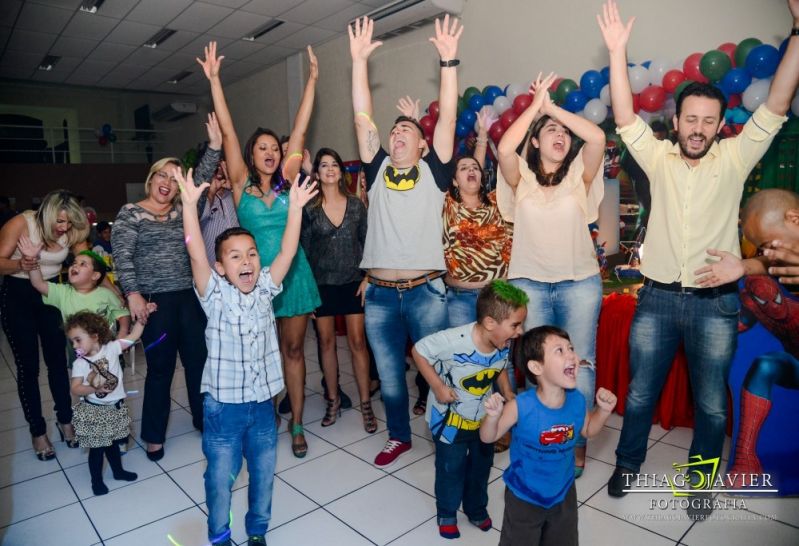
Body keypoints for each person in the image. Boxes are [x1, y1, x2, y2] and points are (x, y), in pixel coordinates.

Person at [597, 0, 799, 518]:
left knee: (711, 405)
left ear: (716, 125)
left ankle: (700, 483)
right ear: (678, 120)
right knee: (640, 395)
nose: (699, 128)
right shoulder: (658, 157)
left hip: (715, 306)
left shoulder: (734, 157)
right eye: (691, 119)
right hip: (658, 301)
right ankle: (627, 464)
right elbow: (622, 115)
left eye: (709, 121)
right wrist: (617, 52)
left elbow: (776, 102)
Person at [177, 165, 317, 546]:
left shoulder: (267, 290)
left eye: (252, 254)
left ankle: (257, 531)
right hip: (223, 408)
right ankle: (219, 534)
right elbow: (194, 253)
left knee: (263, 472)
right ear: (220, 267)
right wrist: (189, 206)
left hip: (262, 406)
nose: (247, 262)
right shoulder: (215, 294)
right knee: (220, 478)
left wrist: (297, 209)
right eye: (235, 257)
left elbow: (288, 250)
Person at [198, 42, 321, 458]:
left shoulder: (288, 180)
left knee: (291, 351)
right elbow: (229, 129)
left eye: (275, 148)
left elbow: (301, 131)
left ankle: (298, 423)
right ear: (251, 155)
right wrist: (215, 79)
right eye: (263, 148)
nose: (270, 153)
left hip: (293, 274)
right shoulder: (238, 184)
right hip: (250, 280)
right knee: (258, 351)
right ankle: (263, 416)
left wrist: (313, 83)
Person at [349, 15, 461, 468]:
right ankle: (399, 436)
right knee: (392, 376)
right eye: (393, 130)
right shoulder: (375, 172)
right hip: (377, 295)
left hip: (426, 293)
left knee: (437, 371)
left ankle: (444, 434)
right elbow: (362, 117)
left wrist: (448, 61)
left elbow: (449, 115)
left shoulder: (436, 174)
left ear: (423, 145)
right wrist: (357, 62)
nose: (396, 134)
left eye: (407, 131)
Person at [496, 72, 606, 477]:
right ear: (537, 141)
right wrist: (535, 108)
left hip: (579, 284)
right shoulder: (519, 179)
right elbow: (506, 147)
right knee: (536, 366)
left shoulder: (579, 175)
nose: (559, 135)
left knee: (581, 364)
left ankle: (574, 444)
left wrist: (553, 109)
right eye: (550, 131)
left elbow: (595, 139)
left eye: (563, 132)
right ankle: (538, 438)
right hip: (528, 285)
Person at [480, 326, 617, 546]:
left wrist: (603, 411)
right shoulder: (520, 406)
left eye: (571, 348)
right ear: (536, 366)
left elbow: (589, 430)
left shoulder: (577, 400)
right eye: (560, 350)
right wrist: (493, 418)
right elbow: (488, 437)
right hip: (524, 495)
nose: (571, 354)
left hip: (563, 492)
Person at [413, 280, 526, 539]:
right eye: (515, 325)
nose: (519, 332)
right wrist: (439, 387)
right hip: (449, 422)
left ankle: (476, 508)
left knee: (481, 467)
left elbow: (498, 367)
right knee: (450, 468)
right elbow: (418, 351)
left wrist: (507, 391)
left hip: (484, 421)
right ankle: (447, 511)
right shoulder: (452, 341)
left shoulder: (502, 343)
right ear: (489, 323)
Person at [112, 158, 208, 461]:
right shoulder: (130, 213)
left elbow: (201, 180)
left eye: (174, 178)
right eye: (162, 175)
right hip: (154, 302)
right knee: (160, 369)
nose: (167, 182)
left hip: (188, 298)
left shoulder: (184, 211)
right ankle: (153, 435)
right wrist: (133, 294)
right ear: (151, 178)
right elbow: (122, 257)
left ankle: (204, 420)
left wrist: (216, 147)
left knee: (199, 363)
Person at [0, 190, 89, 460]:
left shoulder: (71, 230)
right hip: (17, 295)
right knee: (28, 368)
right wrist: (22, 262)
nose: (64, 228)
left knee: (58, 364)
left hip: (49, 294)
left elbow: (87, 261)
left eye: (69, 223)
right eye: (59, 222)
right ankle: (38, 432)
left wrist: (110, 291)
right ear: (48, 214)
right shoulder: (21, 223)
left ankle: (65, 421)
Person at [300, 147, 376, 432]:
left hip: (353, 283)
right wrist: (307, 294)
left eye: (335, 164)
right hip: (321, 287)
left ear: (341, 172)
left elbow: (369, 244)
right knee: (326, 343)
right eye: (324, 165)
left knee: (358, 343)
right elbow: (304, 254)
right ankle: (332, 399)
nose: (330, 168)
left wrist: (368, 277)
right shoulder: (309, 209)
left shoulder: (356, 205)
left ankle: (366, 403)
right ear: (317, 173)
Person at [67, 311, 143, 495]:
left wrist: (141, 319)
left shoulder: (112, 348)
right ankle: (96, 481)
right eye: (72, 341)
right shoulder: (81, 363)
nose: (74, 345)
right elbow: (75, 388)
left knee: (113, 443)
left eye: (78, 340)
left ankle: (118, 471)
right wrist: (94, 389)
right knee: (97, 449)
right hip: (95, 411)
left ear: (94, 336)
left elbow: (133, 337)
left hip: (115, 408)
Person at [17, 241, 131, 337]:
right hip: (77, 352)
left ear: (95, 275)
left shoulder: (106, 294)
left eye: (83, 264)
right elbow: (38, 283)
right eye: (74, 263)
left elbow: (122, 313)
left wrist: (123, 333)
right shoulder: (63, 292)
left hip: (107, 348)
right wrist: (31, 260)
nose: (75, 266)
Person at [196, 113, 239, 266]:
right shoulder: (199, 197)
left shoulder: (231, 194)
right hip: (212, 267)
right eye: (215, 166)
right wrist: (211, 192)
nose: (219, 169)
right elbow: (200, 217)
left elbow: (245, 213)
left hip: (238, 266)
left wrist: (234, 188)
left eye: (221, 164)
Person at [619, 119, 668, 234]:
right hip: (639, 190)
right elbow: (626, 168)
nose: (659, 143)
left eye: (661, 140)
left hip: (653, 194)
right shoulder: (636, 150)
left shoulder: (668, 152)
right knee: (641, 215)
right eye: (656, 139)